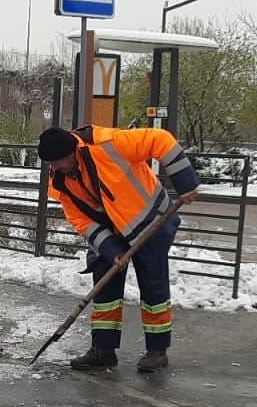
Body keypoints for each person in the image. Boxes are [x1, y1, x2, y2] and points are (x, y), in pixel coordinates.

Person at [37, 124, 199, 373]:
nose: (54, 168)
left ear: (72, 153)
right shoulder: (61, 181)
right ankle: (103, 350)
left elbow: (161, 140)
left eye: (57, 162)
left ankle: (157, 350)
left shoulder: (109, 144)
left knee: (153, 287)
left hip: (150, 220)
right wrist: (111, 250)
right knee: (104, 291)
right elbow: (81, 220)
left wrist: (185, 182)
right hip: (110, 231)